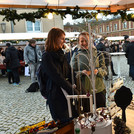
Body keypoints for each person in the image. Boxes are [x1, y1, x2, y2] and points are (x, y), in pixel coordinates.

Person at [40, 28, 78, 123]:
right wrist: (72, 90)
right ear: (54, 39)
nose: (64, 41)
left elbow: (69, 71)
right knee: (63, 123)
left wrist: (77, 83)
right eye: (62, 38)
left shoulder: (61, 54)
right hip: (56, 95)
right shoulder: (47, 56)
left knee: (73, 121)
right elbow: (57, 76)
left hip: (66, 93)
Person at [70, 32, 107, 110]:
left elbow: (105, 70)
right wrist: (81, 73)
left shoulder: (98, 53)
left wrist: (96, 71)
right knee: (86, 115)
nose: (84, 43)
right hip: (84, 90)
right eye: (82, 41)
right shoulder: (76, 55)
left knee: (102, 113)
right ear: (78, 42)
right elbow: (72, 73)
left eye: (86, 40)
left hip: (98, 88)